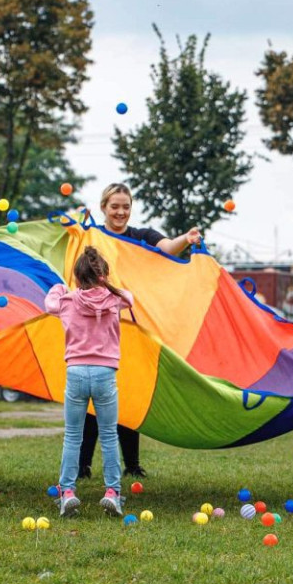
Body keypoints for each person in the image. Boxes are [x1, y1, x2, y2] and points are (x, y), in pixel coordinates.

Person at [77, 182, 200, 480]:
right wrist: (81, 227)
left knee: (129, 396)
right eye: (115, 206)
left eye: (126, 206)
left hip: (133, 332)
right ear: (104, 207)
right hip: (95, 332)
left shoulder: (142, 237)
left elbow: (169, 247)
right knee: (93, 401)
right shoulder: (92, 239)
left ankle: (131, 463)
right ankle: (82, 466)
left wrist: (187, 237)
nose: (121, 211)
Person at [46, 247, 135, 518]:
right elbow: (130, 298)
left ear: (76, 277)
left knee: (72, 436)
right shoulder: (114, 300)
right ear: (103, 275)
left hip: (75, 372)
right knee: (109, 435)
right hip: (105, 374)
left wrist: (61, 287)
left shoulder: (67, 301)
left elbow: (49, 303)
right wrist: (108, 285)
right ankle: (112, 493)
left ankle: (68, 493)